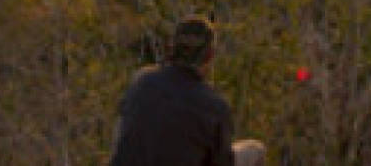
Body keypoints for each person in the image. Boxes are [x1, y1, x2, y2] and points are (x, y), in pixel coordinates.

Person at [108, 16, 266, 166]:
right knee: (255, 150)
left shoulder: (142, 81)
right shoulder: (214, 106)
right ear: (210, 55)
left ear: (171, 48)